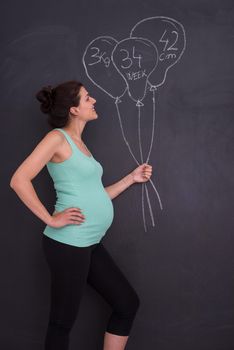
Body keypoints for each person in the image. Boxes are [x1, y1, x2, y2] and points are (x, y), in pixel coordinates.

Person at [9, 80, 153, 350]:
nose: (94, 100)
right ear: (73, 110)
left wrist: (131, 179)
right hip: (67, 244)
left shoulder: (81, 145)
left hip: (88, 242)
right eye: (87, 98)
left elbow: (94, 195)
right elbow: (19, 180)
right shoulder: (57, 139)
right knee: (61, 324)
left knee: (127, 303)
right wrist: (51, 219)